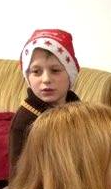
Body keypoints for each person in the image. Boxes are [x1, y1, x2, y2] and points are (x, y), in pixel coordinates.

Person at [8, 28, 81, 174]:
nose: (46, 79)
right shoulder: (24, 121)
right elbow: (18, 174)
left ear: (70, 75)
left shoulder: (80, 110)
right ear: (28, 77)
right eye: (36, 72)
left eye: (55, 70)